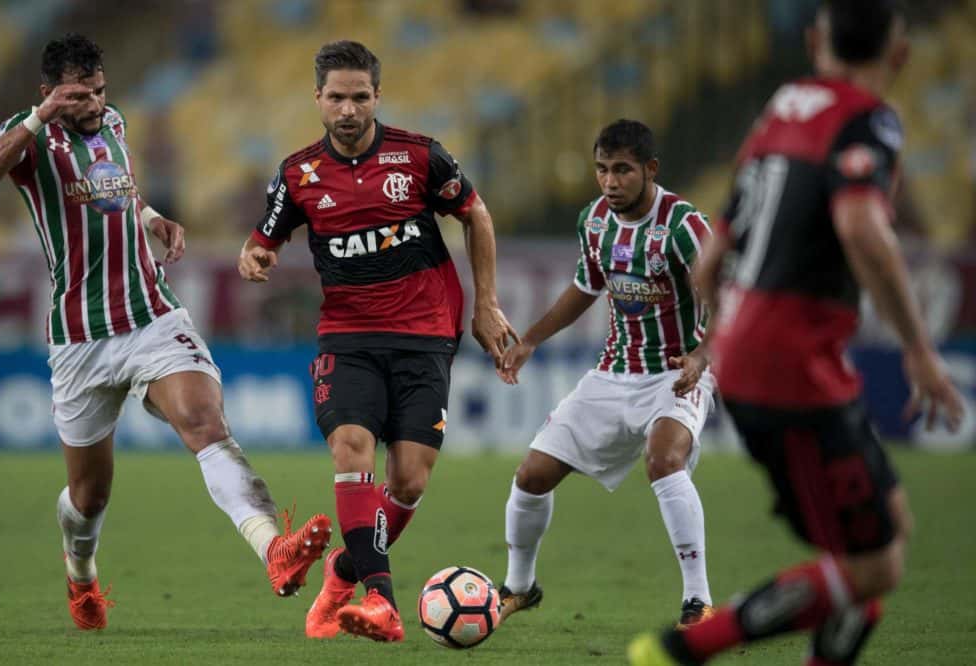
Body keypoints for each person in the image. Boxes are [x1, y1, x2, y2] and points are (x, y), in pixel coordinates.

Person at [628, 2, 965, 664]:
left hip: (759, 353)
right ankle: (678, 649)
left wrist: (720, 339)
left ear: (815, 41)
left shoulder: (782, 109)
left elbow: (711, 260)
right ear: (899, 54)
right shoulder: (867, 119)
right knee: (875, 566)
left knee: (885, 535)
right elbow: (863, 228)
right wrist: (921, 351)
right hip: (792, 363)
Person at [0, 33, 331, 631]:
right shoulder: (32, 137)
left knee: (204, 422)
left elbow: (115, 193)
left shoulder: (115, 123)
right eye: (80, 96)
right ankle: (80, 575)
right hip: (80, 337)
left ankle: (273, 549)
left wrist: (153, 217)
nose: (95, 105)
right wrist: (39, 117)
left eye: (101, 92)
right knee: (89, 498)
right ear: (50, 93)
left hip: (151, 317)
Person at [237, 40, 517, 642]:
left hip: (425, 332)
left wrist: (487, 305)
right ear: (317, 98)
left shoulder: (421, 158)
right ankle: (381, 600)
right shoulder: (298, 173)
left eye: (359, 97)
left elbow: (477, 216)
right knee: (350, 444)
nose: (347, 110)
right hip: (348, 334)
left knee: (409, 480)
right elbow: (265, 238)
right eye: (335, 97)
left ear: (377, 97)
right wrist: (255, 255)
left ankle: (343, 570)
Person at [495, 119, 717, 629]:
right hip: (613, 373)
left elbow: (725, 297)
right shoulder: (594, 220)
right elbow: (583, 289)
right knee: (531, 476)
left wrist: (702, 357)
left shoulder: (683, 225)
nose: (610, 182)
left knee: (664, 461)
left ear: (650, 169)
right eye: (602, 170)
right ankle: (519, 588)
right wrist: (530, 339)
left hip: (677, 371)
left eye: (622, 170)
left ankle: (698, 600)